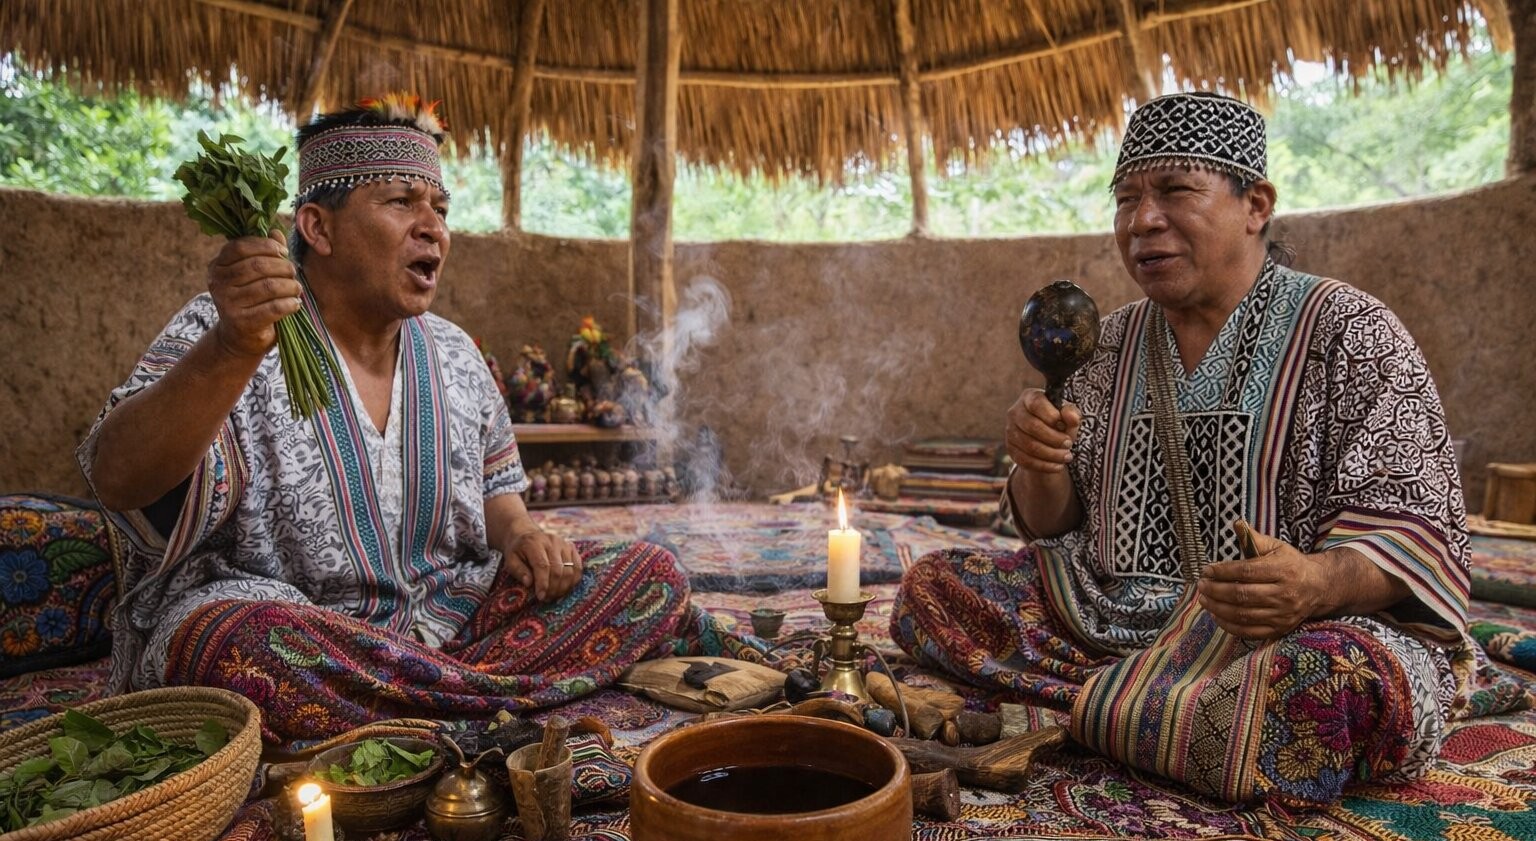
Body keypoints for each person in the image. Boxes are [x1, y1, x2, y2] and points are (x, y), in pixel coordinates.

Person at [890, 91, 1527, 807]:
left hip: (1286, 638)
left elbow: (1418, 525)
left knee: (1330, 683)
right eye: (1126, 198)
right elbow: (1053, 529)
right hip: (1112, 621)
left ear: (1255, 204)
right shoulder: (1104, 346)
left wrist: (1315, 583)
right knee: (933, 587)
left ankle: (1115, 705)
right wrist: (1040, 463)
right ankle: (1159, 707)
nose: (1142, 221)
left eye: (1173, 191)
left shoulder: (1350, 330)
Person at [80, 94, 753, 745]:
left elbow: (502, 502)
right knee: (231, 646)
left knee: (649, 574)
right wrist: (231, 348)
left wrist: (522, 535)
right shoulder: (228, 327)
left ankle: (421, 710)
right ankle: (489, 703)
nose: (433, 227)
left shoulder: (457, 354)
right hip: (297, 631)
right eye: (401, 202)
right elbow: (117, 478)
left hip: (443, 622)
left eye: (439, 207)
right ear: (317, 227)